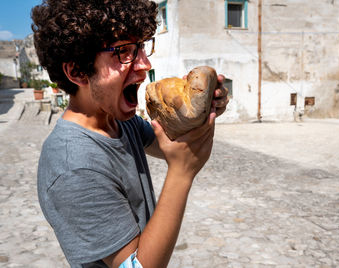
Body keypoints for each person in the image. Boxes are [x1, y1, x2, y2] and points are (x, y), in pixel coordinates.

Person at [32, 0, 229, 267]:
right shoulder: (73, 167)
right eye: (124, 52)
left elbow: (170, 140)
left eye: (141, 48)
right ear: (77, 71)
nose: (145, 64)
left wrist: (203, 110)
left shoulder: (119, 121)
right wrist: (181, 174)